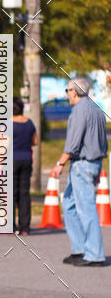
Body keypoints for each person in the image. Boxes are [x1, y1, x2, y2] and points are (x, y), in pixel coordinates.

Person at [51, 77, 108, 267]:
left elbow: (73, 143)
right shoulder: (97, 109)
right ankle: (79, 249)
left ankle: (94, 254)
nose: (67, 94)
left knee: (86, 208)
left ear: (74, 92)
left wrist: (60, 163)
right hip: (93, 161)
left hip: (83, 163)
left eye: (67, 90)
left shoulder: (79, 110)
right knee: (69, 203)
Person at [12, 97, 37, 235]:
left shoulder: (8, 124)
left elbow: (4, 144)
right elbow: (35, 141)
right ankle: (25, 227)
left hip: (12, 160)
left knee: (11, 193)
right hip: (27, 159)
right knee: (24, 193)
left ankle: (12, 226)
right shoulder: (29, 123)